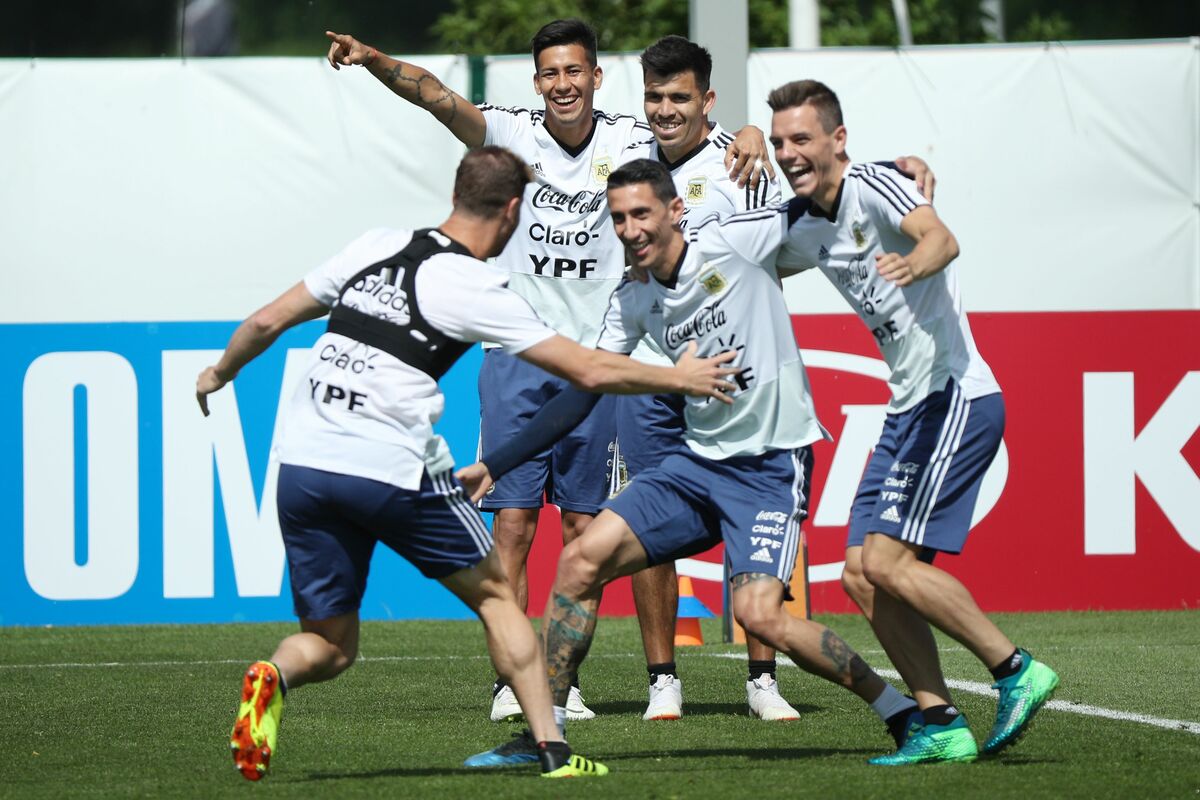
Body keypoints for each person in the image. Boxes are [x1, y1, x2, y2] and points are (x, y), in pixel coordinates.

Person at [195, 147, 737, 781]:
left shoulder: (375, 244)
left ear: (456, 194)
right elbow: (588, 371)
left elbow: (266, 320)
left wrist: (219, 372)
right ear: (511, 212)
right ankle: (553, 753)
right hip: (388, 464)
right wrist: (678, 377)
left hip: (303, 462)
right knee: (498, 598)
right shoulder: (475, 285)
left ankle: (275, 673)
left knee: (331, 644)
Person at [325, 20, 773, 724]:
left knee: (586, 526)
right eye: (550, 73)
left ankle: (569, 684)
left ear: (596, 77)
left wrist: (751, 134)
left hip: (597, 358)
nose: (563, 84)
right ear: (537, 82)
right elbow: (436, 96)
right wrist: (375, 58)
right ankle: (512, 682)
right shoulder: (511, 132)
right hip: (517, 353)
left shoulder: (631, 139)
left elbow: (695, 134)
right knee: (513, 524)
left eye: (575, 71)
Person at [457, 158, 921, 764]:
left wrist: (895, 172)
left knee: (759, 614)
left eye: (642, 214)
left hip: (767, 466)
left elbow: (819, 196)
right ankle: (546, 735)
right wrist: (498, 462)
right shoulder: (634, 297)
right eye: (619, 219)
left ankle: (902, 713)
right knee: (580, 559)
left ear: (676, 210)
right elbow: (584, 389)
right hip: (696, 465)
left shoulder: (734, 241)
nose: (630, 230)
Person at [619, 36, 939, 724]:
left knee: (756, 522)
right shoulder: (627, 159)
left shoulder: (744, 158)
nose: (665, 109)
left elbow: (810, 200)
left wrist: (894, 167)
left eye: (679, 97)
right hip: (657, 368)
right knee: (644, 526)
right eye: (654, 97)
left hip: (740, 374)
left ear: (707, 101)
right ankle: (662, 680)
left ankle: (762, 678)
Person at [768, 79, 1060, 764]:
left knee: (887, 563)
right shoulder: (803, 222)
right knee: (860, 574)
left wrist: (911, 262)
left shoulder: (878, 185)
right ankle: (941, 721)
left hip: (953, 396)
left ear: (838, 139)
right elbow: (741, 253)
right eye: (778, 141)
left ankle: (1015, 668)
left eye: (801, 138)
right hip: (907, 406)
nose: (787, 153)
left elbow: (942, 239)